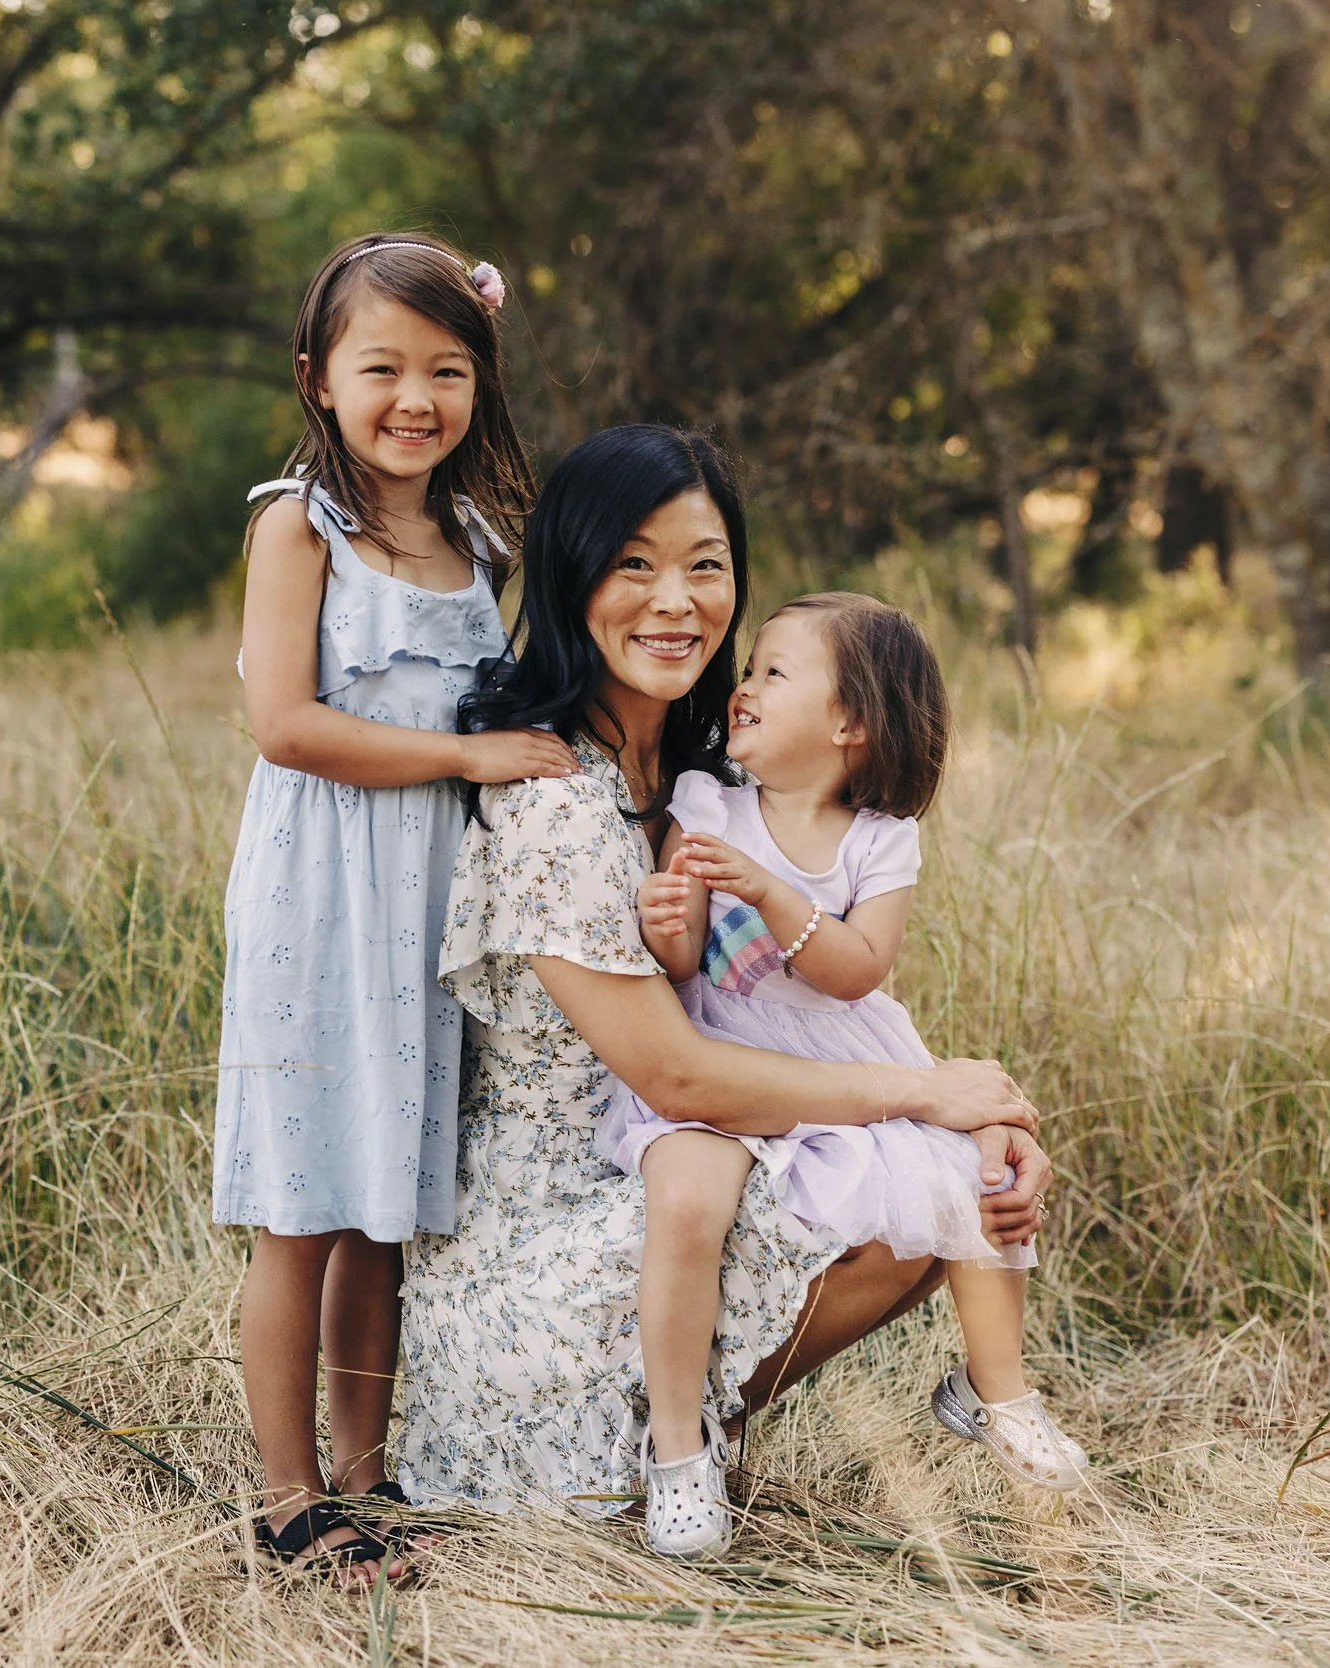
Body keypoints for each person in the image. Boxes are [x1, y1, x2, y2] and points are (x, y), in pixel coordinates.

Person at [397, 425, 1053, 1562]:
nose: (676, 601)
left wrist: (979, 1124)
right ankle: (649, 1449)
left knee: (938, 1177)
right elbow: (678, 1073)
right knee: (895, 1181)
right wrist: (923, 1097)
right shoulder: (554, 794)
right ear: (569, 575)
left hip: (674, 1169)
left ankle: (685, 1447)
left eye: (705, 565)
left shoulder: (710, 781)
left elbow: (823, 994)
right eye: (633, 564)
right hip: (548, 1238)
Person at [212, 232, 575, 1585]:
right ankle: (287, 1491)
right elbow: (286, 724)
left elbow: (501, 707)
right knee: (304, 1200)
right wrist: (468, 759)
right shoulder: (295, 527)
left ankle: (369, 1473)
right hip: (323, 895)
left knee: (388, 1204)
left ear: (479, 381)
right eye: (382, 368)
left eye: (446, 369)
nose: (413, 398)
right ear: (319, 379)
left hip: (430, 902)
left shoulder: (474, 539)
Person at [604, 592, 1087, 1546]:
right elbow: (683, 959)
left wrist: (777, 897)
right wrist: (671, 925)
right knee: (690, 1207)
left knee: (972, 1173)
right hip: (726, 1050)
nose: (741, 689)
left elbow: (861, 969)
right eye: (750, 669)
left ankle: (997, 1389)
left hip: (845, 1048)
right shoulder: (706, 804)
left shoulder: (880, 839)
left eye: (773, 673)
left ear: (850, 723)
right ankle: (677, 1445)